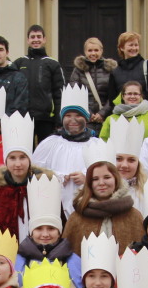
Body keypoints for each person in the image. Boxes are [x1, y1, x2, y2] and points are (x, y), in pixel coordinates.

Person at [0, 112, 55, 240]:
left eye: (22, 157)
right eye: (12, 158)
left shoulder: (44, 188)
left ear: (30, 159)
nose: (18, 164)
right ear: (6, 161)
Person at [63, 140, 145, 254]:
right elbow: (69, 258)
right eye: (95, 179)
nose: (101, 183)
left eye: (107, 177)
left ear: (116, 179)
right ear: (89, 183)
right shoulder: (76, 218)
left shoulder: (133, 216)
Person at [32, 85, 103, 216]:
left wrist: (88, 179)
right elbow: (35, 170)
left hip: (87, 207)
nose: (73, 120)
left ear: (86, 118)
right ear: (62, 118)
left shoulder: (97, 145)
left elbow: (107, 175)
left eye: (78, 115)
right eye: (68, 115)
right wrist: (55, 177)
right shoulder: (50, 143)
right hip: (53, 207)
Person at [13, 175, 83, 288]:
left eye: (51, 228)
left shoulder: (72, 259)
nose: (45, 234)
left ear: (59, 232)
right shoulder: (19, 260)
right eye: (39, 229)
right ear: (31, 232)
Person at [14, 25, 65, 144]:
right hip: (23, 117)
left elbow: (59, 93)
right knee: (25, 152)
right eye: (32, 37)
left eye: (39, 36)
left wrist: (59, 118)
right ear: (27, 40)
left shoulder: (53, 64)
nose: (35, 39)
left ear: (44, 39)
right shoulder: (19, 62)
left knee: (45, 154)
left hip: (46, 118)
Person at [108, 114, 148, 214]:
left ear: (138, 164)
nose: (124, 165)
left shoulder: (146, 194)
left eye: (131, 160)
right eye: (119, 159)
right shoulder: (101, 190)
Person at [68, 37, 116, 124]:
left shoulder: (110, 70)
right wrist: (89, 113)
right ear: (85, 52)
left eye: (96, 50)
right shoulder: (78, 70)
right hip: (85, 119)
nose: (93, 53)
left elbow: (113, 95)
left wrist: (102, 113)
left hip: (106, 118)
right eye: (90, 50)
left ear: (101, 51)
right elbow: (74, 93)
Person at [108, 31, 148, 110]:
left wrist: (136, 106)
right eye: (131, 45)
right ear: (122, 48)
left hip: (144, 112)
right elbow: (112, 98)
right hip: (123, 114)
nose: (134, 48)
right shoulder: (115, 71)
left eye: (136, 45)